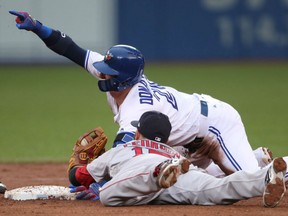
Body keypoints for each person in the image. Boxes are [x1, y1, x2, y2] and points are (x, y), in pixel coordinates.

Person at [9, 10, 274, 178]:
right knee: (182, 179)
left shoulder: (137, 106)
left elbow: (123, 154)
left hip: (215, 128)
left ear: (124, 78)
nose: (103, 72)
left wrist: (89, 177)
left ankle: (270, 164)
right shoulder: (116, 76)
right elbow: (72, 50)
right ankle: (253, 156)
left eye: (109, 70)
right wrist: (38, 27)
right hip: (184, 139)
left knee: (252, 182)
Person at [69, 110, 287, 208]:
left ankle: (158, 174)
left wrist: (78, 165)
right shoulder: (172, 151)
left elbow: (80, 177)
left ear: (137, 133)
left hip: (145, 171)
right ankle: (266, 175)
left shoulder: (125, 147)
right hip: (181, 172)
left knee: (107, 195)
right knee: (219, 190)